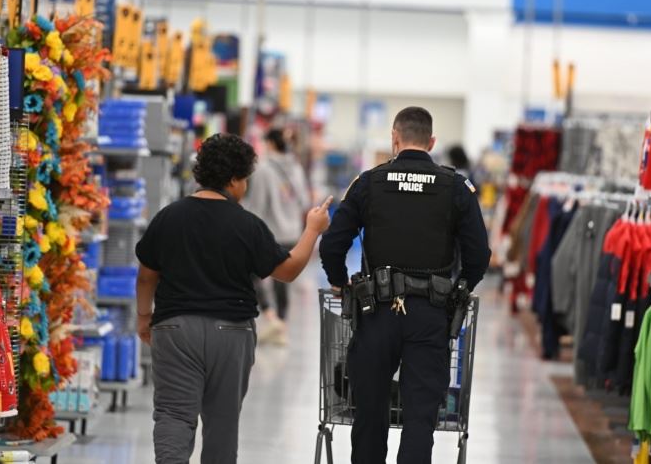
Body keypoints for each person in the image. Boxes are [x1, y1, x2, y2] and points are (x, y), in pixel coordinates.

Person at [134, 133, 332, 464]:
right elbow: (288, 270)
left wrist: (144, 318)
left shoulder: (169, 217)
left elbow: (146, 276)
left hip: (174, 329)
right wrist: (313, 229)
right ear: (234, 179)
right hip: (232, 333)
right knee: (222, 425)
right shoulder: (247, 225)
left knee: (172, 417)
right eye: (245, 180)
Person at [319, 107, 491, 464]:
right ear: (431, 142)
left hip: (375, 313)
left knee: (368, 415)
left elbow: (333, 244)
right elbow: (479, 256)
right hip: (430, 317)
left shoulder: (370, 183)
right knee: (419, 419)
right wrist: (459, 291)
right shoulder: (456, 188)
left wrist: (340, 284)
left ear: (394, 138)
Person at [242, 128, 310, 346]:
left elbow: (257, 205)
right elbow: (305, 201)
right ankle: (282, 325)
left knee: (255, 273)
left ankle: (271, 317)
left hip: (270, 232)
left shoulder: (263, 169)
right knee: (284, 281)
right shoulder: (297, 168)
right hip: (292, 232)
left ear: (270, 144)